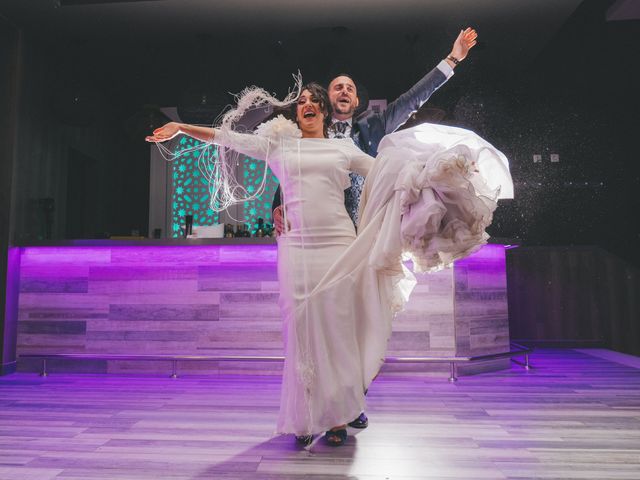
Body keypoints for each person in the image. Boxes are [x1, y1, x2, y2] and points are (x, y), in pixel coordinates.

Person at [146, 79, 511, 448]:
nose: (307, 104)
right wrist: (181, 127)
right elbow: (228, 138)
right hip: (296, 248)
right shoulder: (277, 145)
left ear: (322, 110)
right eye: (301, 101)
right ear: (296, 112)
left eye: (313, 101)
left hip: (339, 244)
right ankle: (305, 416)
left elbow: (386, 172)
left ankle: (337, 417)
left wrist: (431, 174)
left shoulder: (342, 148)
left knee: (337, 332)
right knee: (300, 330)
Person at [272, 27, 478, 431]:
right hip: (319, 240)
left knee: (360, 320)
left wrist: (451, 60)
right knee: (320, 326)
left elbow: (415, 97)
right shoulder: (305, 134)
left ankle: (351, 400)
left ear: (357, 98)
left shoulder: (375, 126)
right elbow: (291, 173)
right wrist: (278, 205)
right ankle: (321, 409)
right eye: (336, 87)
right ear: (326, 100)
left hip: (367, 233)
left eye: (349, 87)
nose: (343, 91)